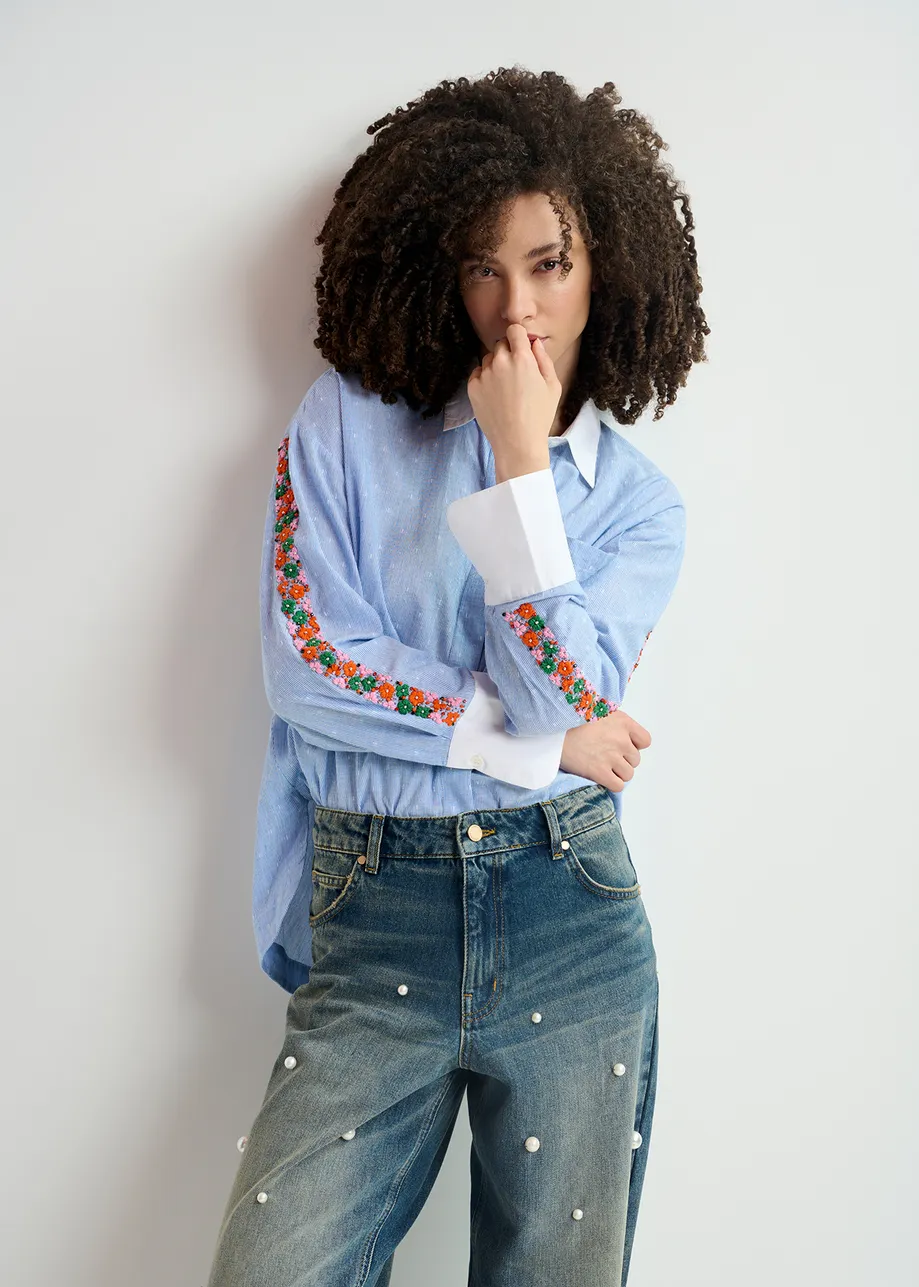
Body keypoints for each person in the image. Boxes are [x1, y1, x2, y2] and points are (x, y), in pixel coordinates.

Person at [206, 64, 709, 1287]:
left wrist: (519, 461)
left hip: (567, 918)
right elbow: (311, 670)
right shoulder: (340, 427)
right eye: (483, 266)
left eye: (549, 262)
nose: (514, 306)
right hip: (375, 917)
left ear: (609, 270)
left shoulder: (637, 512)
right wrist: (529, 749)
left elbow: (559, 695)